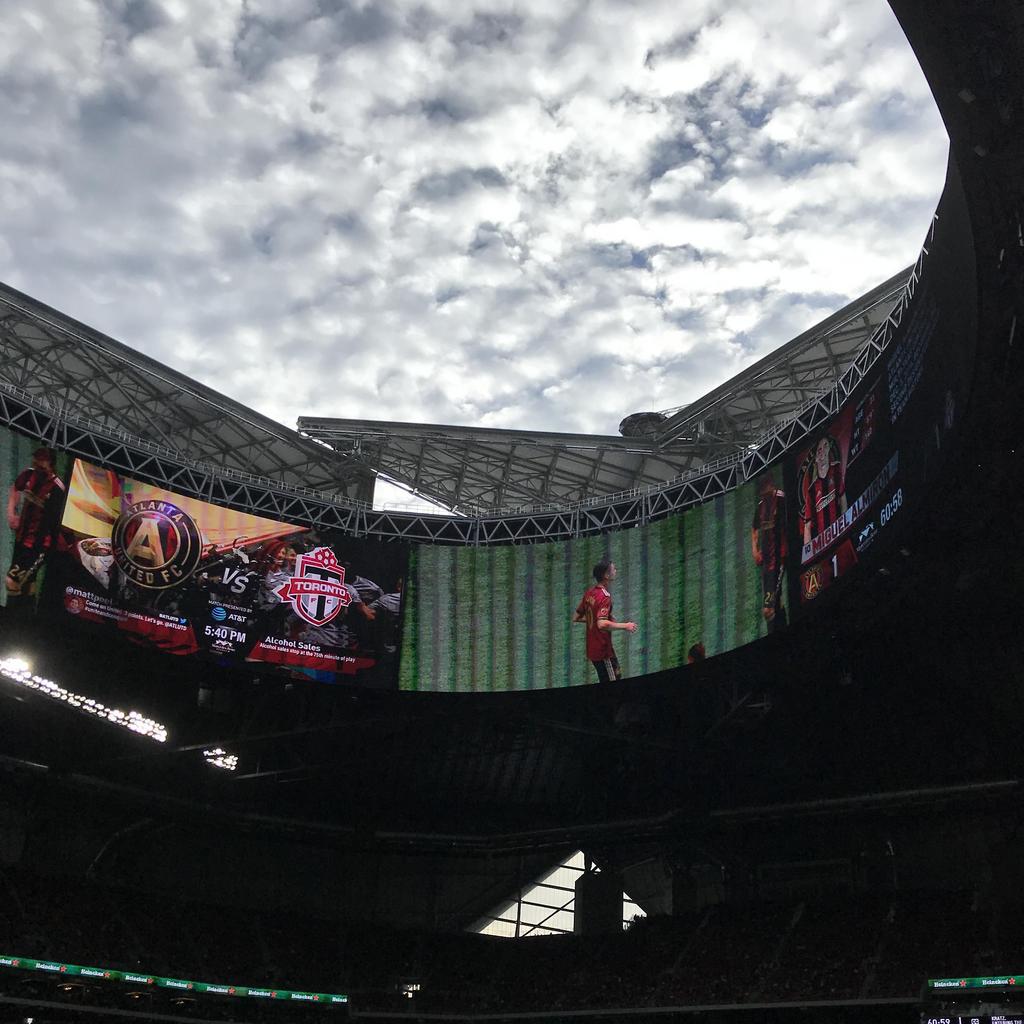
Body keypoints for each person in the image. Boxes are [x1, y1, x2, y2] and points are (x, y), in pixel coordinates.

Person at [5, 446, 65, 598]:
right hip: (22, 539)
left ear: (50, 463)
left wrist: (49, 549)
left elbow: (56, 523)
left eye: (41, 459)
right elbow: (15, 489)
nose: (37, 461)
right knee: (28, 584)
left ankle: (14, 614)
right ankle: (24, 614)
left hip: (38, 546)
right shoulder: (29, 474)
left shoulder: (57, 488)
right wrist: (12, 513)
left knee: (11, 581)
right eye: (36, 457)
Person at [573, 559, 637, 683]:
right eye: (613, 569)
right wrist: (626, 626)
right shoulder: (604, 597)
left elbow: (576, 617)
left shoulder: (590, 593)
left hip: (592, 649)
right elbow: (602, 624)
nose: (616, 571)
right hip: (602, 650)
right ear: (606, 575)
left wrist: (597, 619)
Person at [751, 472, 788, 632]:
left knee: (768, 608)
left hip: (780, 560)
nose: (764, 493)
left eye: (765, 489)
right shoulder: (760, 507)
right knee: (776, 602)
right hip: (767, 564)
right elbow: (754, 529)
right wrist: (755, 550)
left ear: (771, 486)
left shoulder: (781, 499)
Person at [799, 433, 847, 546]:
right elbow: (807, 525)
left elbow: (843, 497)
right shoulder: (811, 491)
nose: (822, 451)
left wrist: (845, 524)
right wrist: (809, 551)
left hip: (839, 533)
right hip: (824, 543)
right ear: (815, 458)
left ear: (829, 448)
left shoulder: (836, 470)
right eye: (819, 449)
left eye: (825, 445)